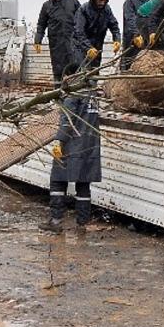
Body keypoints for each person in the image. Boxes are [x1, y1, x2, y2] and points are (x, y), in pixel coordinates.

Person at [41, 68, 103, 233]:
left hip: (72, 144)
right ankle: (82, 223)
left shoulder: (73, 95)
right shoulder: (93, 94)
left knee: (57, 181)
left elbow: (67, 121)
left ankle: (56, 221)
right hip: (90, 145)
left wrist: (59, 141)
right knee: (83, 184)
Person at [34, 0, 81, 83]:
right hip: (56, 42)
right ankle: (58, 94)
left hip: (73, 40)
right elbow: (41, 24)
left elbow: (82, 18)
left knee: (76, 65)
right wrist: (38, 40)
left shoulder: (71, 0)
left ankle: (77, 91)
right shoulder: (46, 6)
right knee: (58, 68)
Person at [73, 0, 120, 69]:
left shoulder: (106, 10)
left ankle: (92, 82)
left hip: (97, 46)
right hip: (81, 46)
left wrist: (117, 39)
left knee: (94, 70)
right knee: (82, 70)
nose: (102, 3)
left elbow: (114, 25)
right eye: (100, 0)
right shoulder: (83, 10)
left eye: (104, 1)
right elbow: (79, 31)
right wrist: (88, 48)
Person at [121, 0, 150, 70]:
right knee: (130, 64)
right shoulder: (129, 2)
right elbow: (130, 20)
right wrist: (136, 34)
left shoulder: (149, 2)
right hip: (132, 40)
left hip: (146, 38)